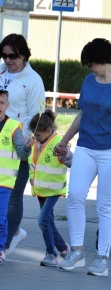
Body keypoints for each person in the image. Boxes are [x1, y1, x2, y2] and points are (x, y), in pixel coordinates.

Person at [54, 38, 111, 276]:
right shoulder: (89, 81)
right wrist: (64, 140)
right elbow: (82, 115)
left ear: (103, 61)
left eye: (90, 63)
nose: (89, 68)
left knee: (105, 205)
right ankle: (77, 251)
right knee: (74, 196)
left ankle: (102, 258)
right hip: (86, 147)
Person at [0, 34, 46, 257]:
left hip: (18, 144)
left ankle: (7, 242)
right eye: (4, 55)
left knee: (13, 196)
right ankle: (13, 231)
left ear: (24, 55)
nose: (8, 60)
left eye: (13, 56)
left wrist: (21, 138)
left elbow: (36, 115)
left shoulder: (34, 80)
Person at [25, 110, 72, 267]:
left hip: (54, 190)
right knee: (48, 221)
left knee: (43, 220)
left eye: (37, 135)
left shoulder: (59, 142)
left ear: (48, 131)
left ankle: (51, 254)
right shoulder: (36, 143)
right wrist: (32, 177)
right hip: (40, 190)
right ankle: (63, 248)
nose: (35, 138)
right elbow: (32, 163)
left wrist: (66, 155)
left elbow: (69, 160)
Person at [0, 89, 32, 263]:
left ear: (7, 105)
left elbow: (23, 154)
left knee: (0, 217)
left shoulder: (13, 127)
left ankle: (0, 248)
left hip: (4, 184)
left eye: (2, 102)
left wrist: (27, 146)